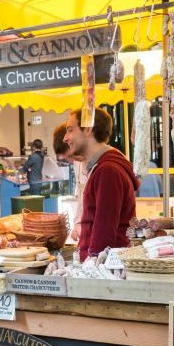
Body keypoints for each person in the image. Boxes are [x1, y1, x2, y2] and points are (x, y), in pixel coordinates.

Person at [63, 107, 139, 261]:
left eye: (70, 130)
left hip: (103, 270)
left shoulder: (108, 170)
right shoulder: (102, 166)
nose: (65, 138)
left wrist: (92, 265)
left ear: (88, 130)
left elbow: (104, 232)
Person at [54, 123, 86, 241]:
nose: (70, 161)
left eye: (68, 158)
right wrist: (78, 223)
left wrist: (80, 224)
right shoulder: (78, 162)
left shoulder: (102, 165)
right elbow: (81, 197)